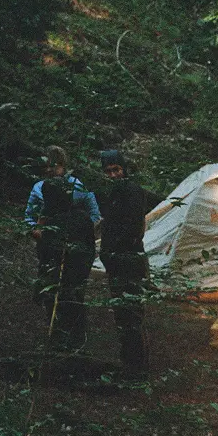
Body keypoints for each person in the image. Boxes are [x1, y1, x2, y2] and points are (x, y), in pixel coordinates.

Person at [24, 146, 100, 351]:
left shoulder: (78, 187)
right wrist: (35, 230)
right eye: (47, 166)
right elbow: (30, 216)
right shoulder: (39, 188)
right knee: (50, 288)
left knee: (73, 292)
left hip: (76, 248)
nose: (50, 170)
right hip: (49, 246)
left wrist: (80, 232)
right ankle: (56, 336)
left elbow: (94, 215)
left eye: (55, 165)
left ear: (63, 166)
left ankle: (77, 339)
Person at [97, 149, 151, 378]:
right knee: (122, 313)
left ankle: (137, 368)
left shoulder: (132, 191)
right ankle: (129, 362)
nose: (113, 175)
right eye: (108, 171)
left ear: (124, 169)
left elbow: (134, 228)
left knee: (131, 313)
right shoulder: (112, 193)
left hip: (129, 260)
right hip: (116, 261)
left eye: (116, 170)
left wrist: (115, 251)